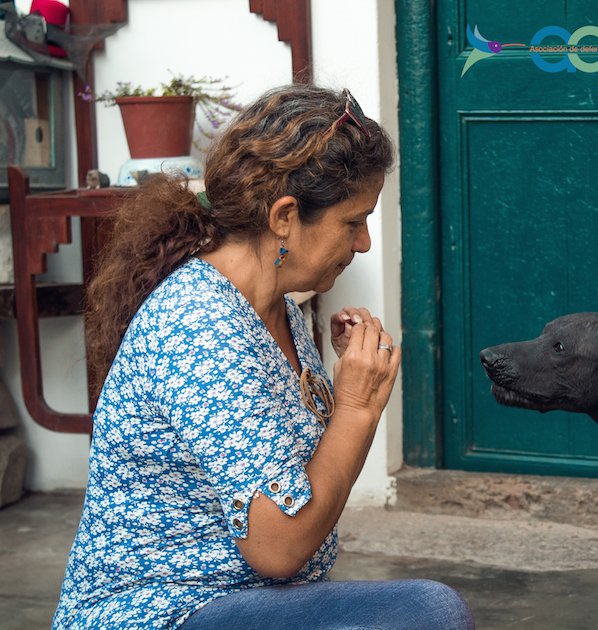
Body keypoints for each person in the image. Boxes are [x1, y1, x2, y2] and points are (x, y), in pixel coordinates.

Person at [53, 84, 475, 630]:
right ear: (284, 216)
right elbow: (279, 545)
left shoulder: (276, 309)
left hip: (237, 600)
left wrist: (334, 382)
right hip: (161, 613)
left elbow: (288, 476)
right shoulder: (201, 328)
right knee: (429, 615)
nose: (365, 242)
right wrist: (357, 410)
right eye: (353, 222)